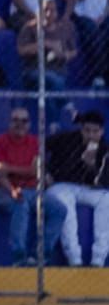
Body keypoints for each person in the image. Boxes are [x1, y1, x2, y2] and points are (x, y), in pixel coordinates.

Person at [0, 107, 66, 265]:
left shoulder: (35, 142)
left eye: (24, 121)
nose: (20, 124)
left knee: (59, 209)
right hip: (3, 190)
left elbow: (36, 170)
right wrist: (12, 189)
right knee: (20, 202)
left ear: (30, 124)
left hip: (32, 190)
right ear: (9, 122)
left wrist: (9, 168)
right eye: (15, 120)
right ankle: (19, 255)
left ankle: (41, 253)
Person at [44, 110, 109, 267]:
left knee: (107, 199)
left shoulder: (105, 149)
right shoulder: (65, 139)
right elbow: (37, 147)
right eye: (87, 131)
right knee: (65, 205)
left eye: (95, 131)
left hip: (88, 189)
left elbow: (102, 182)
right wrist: (44, 172)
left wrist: (91, 165)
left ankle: (98, 260)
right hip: (61, 185)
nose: (91, 135)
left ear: (102, 132)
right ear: (81, 129)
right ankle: (74, 259)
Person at [17, 0, 77, 130]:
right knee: (49, 79)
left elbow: (73, 52)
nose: (49, 14)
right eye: (46, 10)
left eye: (53, 10)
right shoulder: (30, 27)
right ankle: (67, 104)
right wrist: (44, 44)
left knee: (48, 89)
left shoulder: (65, 28)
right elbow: (21, 50)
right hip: (33, 71)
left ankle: (54, 124)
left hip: (58, 70)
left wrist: (63, 54)